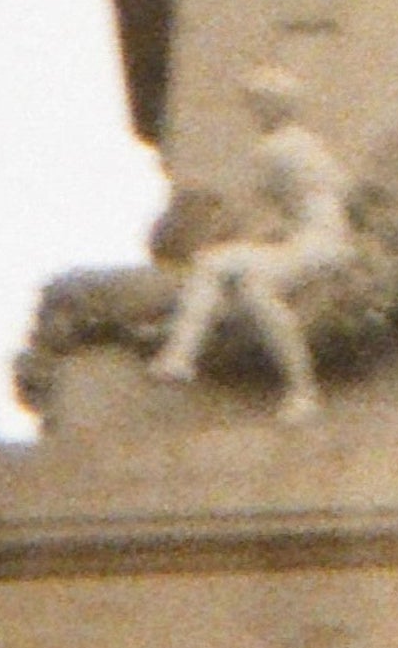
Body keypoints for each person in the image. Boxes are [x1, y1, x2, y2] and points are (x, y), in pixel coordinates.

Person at [150, 68, 358, 426]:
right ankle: (182, 355)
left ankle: (187, 356)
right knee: (236, 276)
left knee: (240, 277)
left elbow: (257, 214)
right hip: (316, 240)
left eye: (257, 104)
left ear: (271, 107)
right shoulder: (309, 144)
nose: (253, 112)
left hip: (317, 242)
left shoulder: (274, 149)